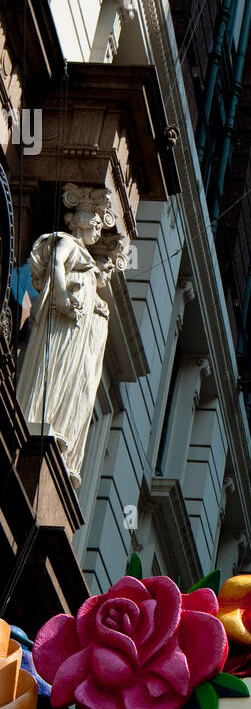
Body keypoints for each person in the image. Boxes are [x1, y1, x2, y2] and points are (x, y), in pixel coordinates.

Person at [16, 187, 122, 489]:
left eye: (102, 225)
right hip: (61, 322)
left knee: (67, 376)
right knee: (52, 367)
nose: (99, 228)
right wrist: (62, 298)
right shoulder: (68, 242)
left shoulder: (88, 261)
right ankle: (38, 414)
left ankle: (55, 426)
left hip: (72, 329)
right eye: (97, 223)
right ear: (81, 220)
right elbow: (56, 266)